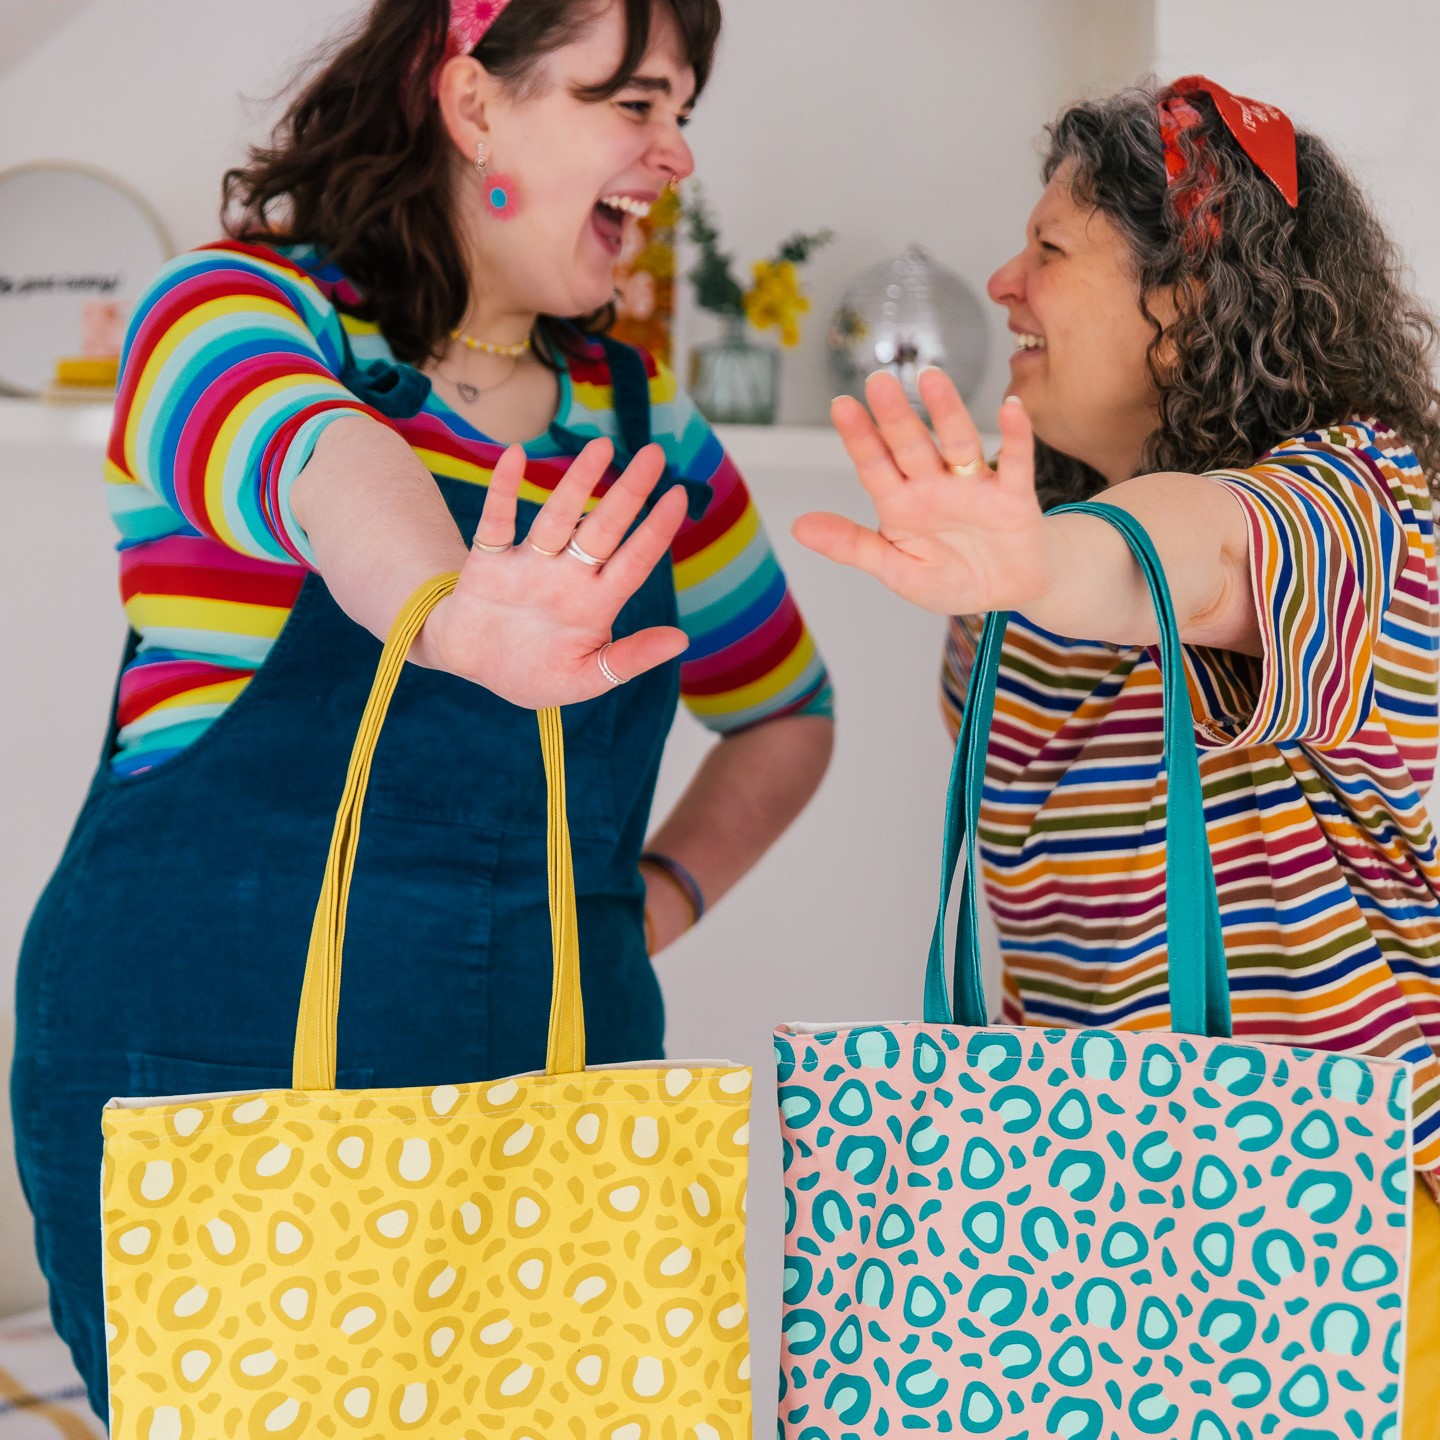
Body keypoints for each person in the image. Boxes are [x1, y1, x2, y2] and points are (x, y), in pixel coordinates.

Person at [11, 0, 833, 1417]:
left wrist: (654, 902)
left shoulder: (650, 440)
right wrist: (450, 612)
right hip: (212, 1067)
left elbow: (786, 712)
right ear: (474, 107)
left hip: (554, 1089)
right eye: (632, 102)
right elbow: (326, 463)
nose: (673, 154)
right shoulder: (233, 314)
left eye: (681, 113)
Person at [796, 77, 1439, 1421]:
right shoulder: (1008, 616)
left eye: (1050, 249)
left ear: (1190, 294)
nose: (1000, 282)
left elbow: (1200, 555)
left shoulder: (1364, 505)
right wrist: (1028, 572)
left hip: (1358, 1260)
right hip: (1085, 1254)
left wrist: (1055, 560)